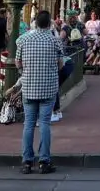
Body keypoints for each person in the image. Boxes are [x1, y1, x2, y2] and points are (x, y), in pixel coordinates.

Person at [16, 10, 64, 174]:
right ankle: (44, 161)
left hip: (29, 87)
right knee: (44, 123)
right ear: (49, 24)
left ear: (35, 22)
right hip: (48, 87)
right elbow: (61, 63)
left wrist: (26, 71)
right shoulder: (54, 41)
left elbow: (17, 62)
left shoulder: (23, 39)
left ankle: (27, 162)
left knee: (28, 124)